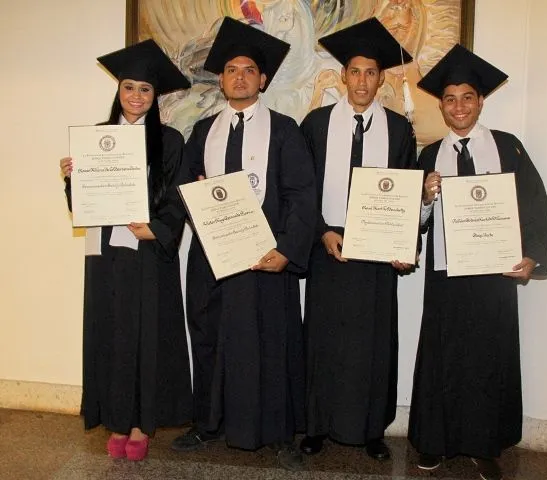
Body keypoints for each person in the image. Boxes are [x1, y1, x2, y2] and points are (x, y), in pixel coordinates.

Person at [170, 17, 316, 471]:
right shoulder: (203, 131)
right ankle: (207, 423)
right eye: (231, 69)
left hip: (265, 260)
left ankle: (277, 433)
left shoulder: (285, 129)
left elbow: (301, 195)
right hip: (214, 260)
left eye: (249, 69)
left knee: (271, 343)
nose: (239, 76)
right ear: (221, 78)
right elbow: (185, 189)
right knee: (211, 339)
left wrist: (287, 251)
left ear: (263, 79)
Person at [408, 44, 547, 480]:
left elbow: (535, 205)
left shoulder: (508, 148)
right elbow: (416, 222)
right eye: (450, 99)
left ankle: (483, 445)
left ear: (480, 101)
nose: (459, 106)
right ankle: (435, 442)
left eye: (467, 97)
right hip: (447, 274)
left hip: (493, 275)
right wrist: (427, 198)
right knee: (442, 355)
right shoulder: (430, 155)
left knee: (488, 358)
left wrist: (532, 256)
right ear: (442, 105)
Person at [59, 40, 192, 461]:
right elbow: (83, 203)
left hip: (147, 254)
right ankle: (116, 419)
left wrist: (157, 228)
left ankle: (140, 424)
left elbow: (177, 197)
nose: (136, 96)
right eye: (129, 87)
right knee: (112, 335)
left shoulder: (170, 142)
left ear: (155, 97)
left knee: (146, 338)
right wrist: (72, 179)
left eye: (145, 90)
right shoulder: (97, 139)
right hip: (107, 256)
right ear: (119, 90)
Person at [299, 18, 417, 460]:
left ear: (381, 78)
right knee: (323, 340)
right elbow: (302, 190)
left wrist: (405, 247)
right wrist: (322, 232)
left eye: (371, 72)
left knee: (374, 343)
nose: (362, 80)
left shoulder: (400, 131)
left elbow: (406, 194)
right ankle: (316, 426)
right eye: (355, 71)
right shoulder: (315, 125)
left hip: (377, 253)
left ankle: (371, 430)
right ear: (343, 76)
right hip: (330, 247)